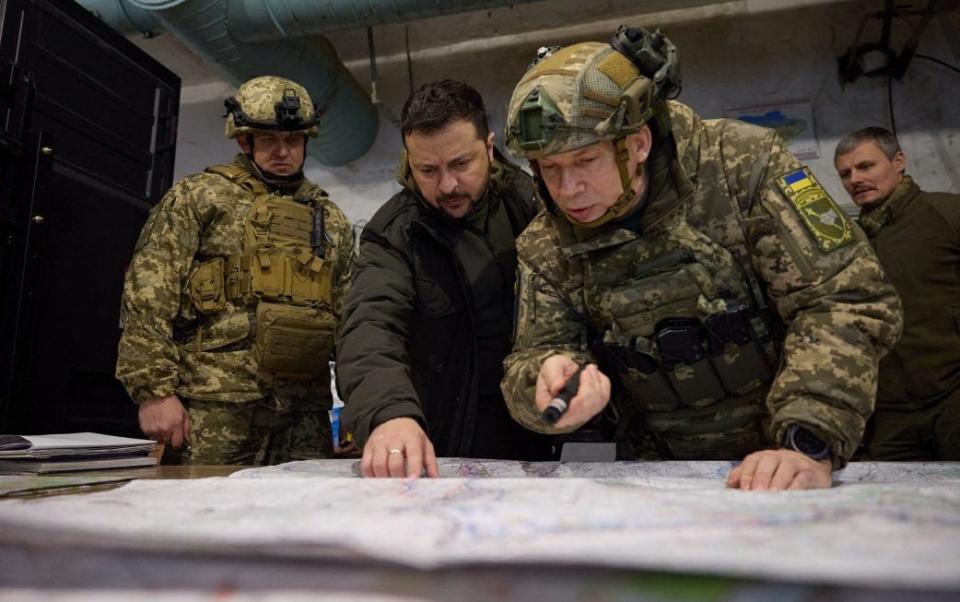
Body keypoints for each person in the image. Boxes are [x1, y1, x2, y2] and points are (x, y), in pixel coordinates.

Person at [500, 27, 903, 490]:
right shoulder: (545, 242)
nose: (567, 190)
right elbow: (529, 359)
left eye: (586, 161)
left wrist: (808, 440)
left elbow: (844, 299)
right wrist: (543, 381)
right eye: (549, 169)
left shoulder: (743, 167)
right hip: (665, 479)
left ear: (638, 143)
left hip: (795, 455)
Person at [116, 76, 354, 465]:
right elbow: (148, 292)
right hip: (215, 405)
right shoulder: (200, 196)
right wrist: (154, 391)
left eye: (293, 141)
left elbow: (350, 319)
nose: (283, 152)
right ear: (244, 140)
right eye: (269, 140)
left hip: (305, 414)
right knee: (200, 519)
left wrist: (360, 406)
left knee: (300, 521)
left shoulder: (330, 219)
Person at [337, 80, 552, 478]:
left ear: (489, 148)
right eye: (428, 170)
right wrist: (389, 413)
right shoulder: (396, 233)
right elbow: (370, 326)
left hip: (549, 433)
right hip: (451, 444)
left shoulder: (536, 203)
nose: (448, 185)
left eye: (460, 164)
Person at [834, 127, 960, 460]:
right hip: (889, 413)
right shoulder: (850, 240)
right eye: (845, 174)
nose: (855, 179)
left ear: (899, 161)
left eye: (866, 166)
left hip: (951, 397)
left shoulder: (946, 214)